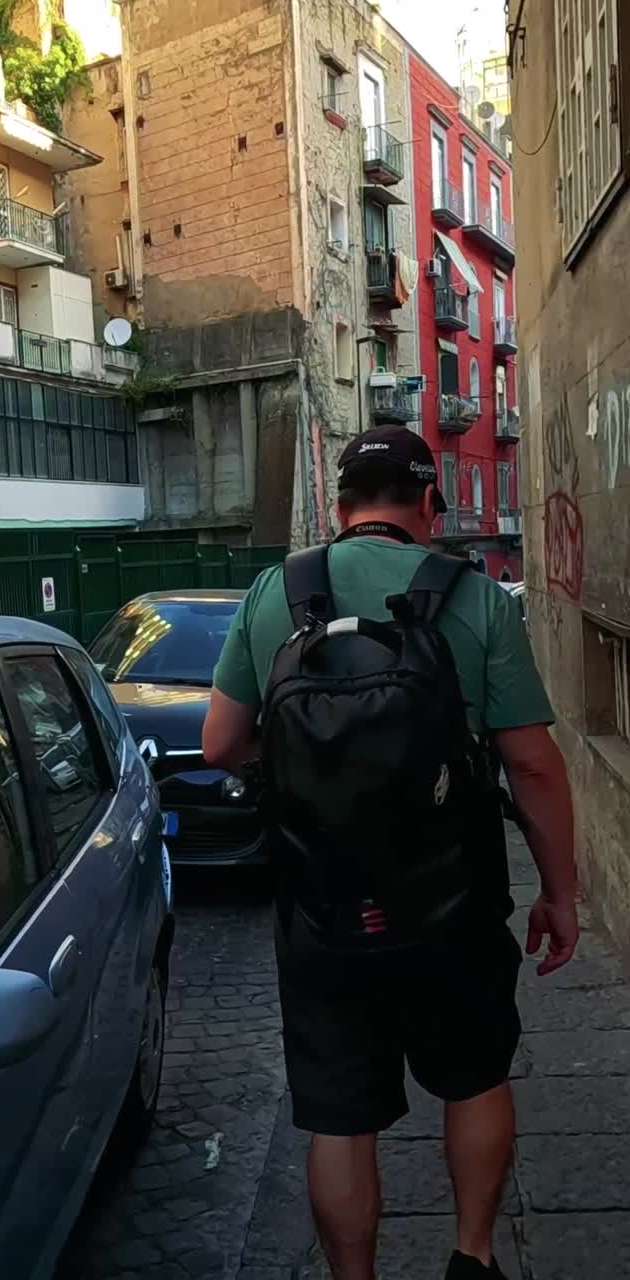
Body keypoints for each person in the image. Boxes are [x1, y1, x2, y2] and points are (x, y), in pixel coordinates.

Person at [202, 427, 578, 1280]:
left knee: (339, 1117)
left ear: (339, 510)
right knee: (475, 1076)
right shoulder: (474, 597)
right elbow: (530, 762)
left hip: (321, 899)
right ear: (430, 506)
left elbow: (221, 743)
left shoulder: (276, 590)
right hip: (454, 896)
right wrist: (561, 891)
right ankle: (473, 1255)